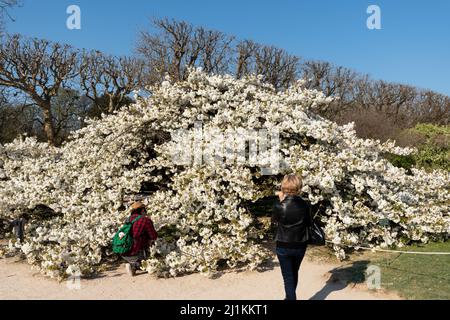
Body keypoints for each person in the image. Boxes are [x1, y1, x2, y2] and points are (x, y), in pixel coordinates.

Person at [272, 174, 312, 300]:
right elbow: (309, 223)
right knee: (294, 273)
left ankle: (290, 298)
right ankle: (289, 297)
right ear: (299, 187)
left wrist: (281, 201)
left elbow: (273, 222)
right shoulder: (306, 205)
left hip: (283, 244)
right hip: (300, 244)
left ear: (283, 187)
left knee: (288, 276)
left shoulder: (279, 205)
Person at [122, 201, 158, 276]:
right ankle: (135, 265)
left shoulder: (128, 219)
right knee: (147, 262)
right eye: (145, 210)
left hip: (123, 250)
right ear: (142, 210)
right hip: (136, 250)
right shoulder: (145, 220)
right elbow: (153, 236)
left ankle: (131, 263)